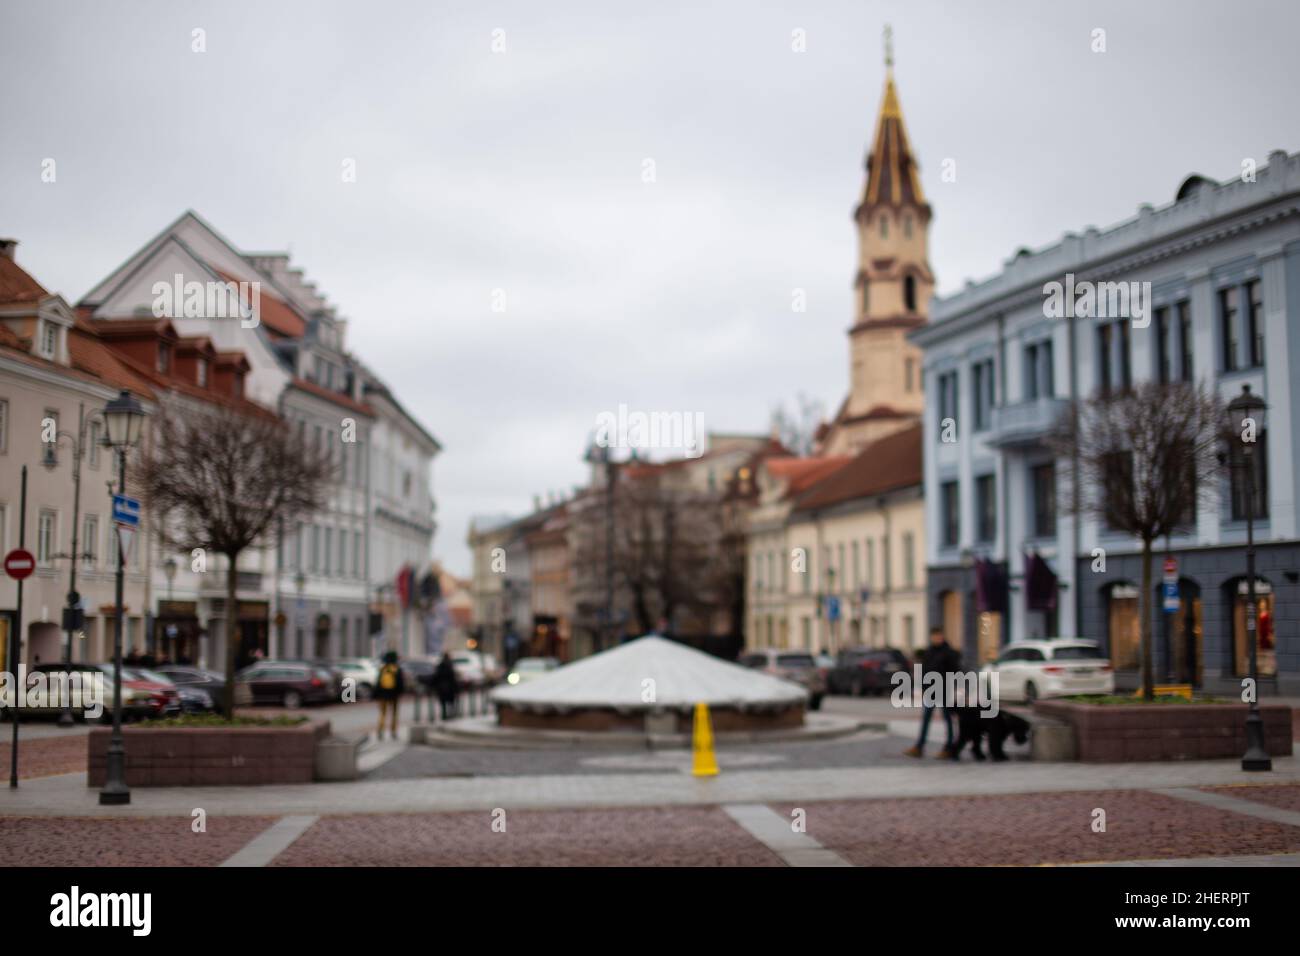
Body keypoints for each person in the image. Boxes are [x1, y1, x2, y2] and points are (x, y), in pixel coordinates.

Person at [903, 626, 962, 759]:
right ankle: (919, 746)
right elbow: (924, 671)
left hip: (944, 690)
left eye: (939, 636)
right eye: (935, 636)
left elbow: (956, 671)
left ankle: (949, 748)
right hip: (931, 690)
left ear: (942, 636)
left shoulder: (948, 653)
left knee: (948, 719)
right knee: (926, 719)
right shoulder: (929, 652)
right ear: (931, 637)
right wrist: (923, 688)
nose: (937, 638)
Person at [374, 651, 404, 740]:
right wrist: (399, 693)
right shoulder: (397, 669)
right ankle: (393, 731)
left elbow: (378, 683)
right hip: (394, 695)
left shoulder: (383, 669)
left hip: (383, 695)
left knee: (382, 713)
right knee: (394, 714)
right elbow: (400, 684)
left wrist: (377, 695)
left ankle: (380, 730)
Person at [432, 651, 459, 720]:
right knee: (450, 702)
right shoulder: (450, 665)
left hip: (442, 687)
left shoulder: (440, 666)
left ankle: (444, 714)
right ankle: (450, 714)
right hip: (449, 687)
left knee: (443, 702)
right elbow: (453, 678)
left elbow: (436, 677)